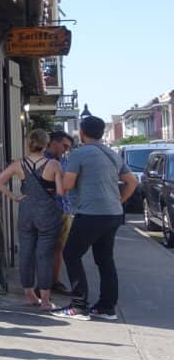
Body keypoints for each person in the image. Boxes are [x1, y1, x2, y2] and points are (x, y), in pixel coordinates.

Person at [52, 116, 137, 321]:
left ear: (81, 133)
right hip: (114, 214)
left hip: (90, 213)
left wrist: (58, 174)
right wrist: (118, 200)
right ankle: (107, 307)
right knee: (105, 259)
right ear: (100, 133)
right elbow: (132, 182)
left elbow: (68, 186)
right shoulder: (112, 154)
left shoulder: (79, 154)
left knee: (71, 254)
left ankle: (79, 306)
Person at [0, 129, 66, 311]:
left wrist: (14, 196)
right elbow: (60, 192)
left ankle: (29, 295)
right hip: (47, 211)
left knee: (26, 252)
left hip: (26, 210)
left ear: (28, 144)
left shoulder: (19, 164)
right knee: (45, 255)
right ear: (46, 144)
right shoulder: (54, 164)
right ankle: (46, 299)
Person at [46, 131, 75, 294]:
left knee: (59, 247)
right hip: (48, 210)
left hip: (64, 208)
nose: (65, 150)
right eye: (64, 146)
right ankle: (43, 283)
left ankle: (54, 281)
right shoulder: (42, 160)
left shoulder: (65, 161)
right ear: (53, 143)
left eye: (68, 148)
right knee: (44, 247)